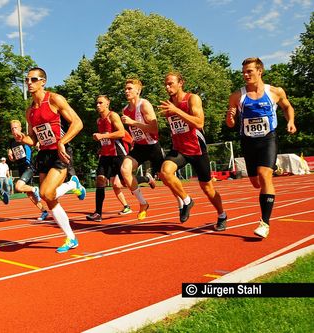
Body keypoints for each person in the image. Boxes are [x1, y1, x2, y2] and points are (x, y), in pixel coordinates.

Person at [13, 67, 83, 253]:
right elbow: (33, 139)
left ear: (43, 81)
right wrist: (22, 139)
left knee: (45, 192)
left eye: (33, 79)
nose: (29, 83)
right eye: (26, 80)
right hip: (44, 154)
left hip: (60, 152)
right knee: (49, 198)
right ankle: (71, 238)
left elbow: (77, 123)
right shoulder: (30, 112)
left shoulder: (54, 99)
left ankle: (71, 185)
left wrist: (63, 142)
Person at [227, 58, 296, 238]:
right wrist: (230, 115)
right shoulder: (237, 96)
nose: (245, 75)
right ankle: (275, 167)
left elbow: (287, 107)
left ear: (260, 71)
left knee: (264, 176)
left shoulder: (274, 92)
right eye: (243, 72)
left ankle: (264, 223)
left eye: (249, 71)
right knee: (255, 182)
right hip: (248, 141)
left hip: (268, 139)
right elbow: (230, 124)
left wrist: (291, 121)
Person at [158, 72, 227, 230]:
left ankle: (222, 215)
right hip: (179, 150)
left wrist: (177, 111)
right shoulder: (168, 105)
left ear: (181, 82)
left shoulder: (192, 99)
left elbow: (199, 122)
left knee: (208, 188)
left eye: (171, 83)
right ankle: (187, 200)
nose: (167, 87)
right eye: (166, 84)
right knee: (165, 172)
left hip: (197, 150)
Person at [120, 79, 164, 220]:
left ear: (138, 91)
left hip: (153, 146)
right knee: (125, 170)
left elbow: (154, 128)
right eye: (125, 89)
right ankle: (143, 203)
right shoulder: (125, 110)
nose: (126, 91)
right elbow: (134, 131)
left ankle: (184, 201)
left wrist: (133, 122)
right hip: (139, 147)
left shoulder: (144, 105)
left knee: (166, 178)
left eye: (129, 88)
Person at [86, 95, 132, 222]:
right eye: (97, 103)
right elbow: (105, 138)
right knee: (100, 180)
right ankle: (98, 213)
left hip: (118, 154)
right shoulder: (98, 121)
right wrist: (101, 146)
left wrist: (101, 136)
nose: (98, 105)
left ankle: (146, 178)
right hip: (105, 155)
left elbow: (121, 133)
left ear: (107, 103)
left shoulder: (113, 116)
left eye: (100, 103)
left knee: (124, 182)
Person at [6, 119, 49, 221]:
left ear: (20, 128)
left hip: (28, 167)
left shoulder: (25, 138)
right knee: (29, 195)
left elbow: (35, 142)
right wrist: (10, 155)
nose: (14, 130)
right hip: (20, 167)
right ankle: (44, 211)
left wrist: (38, 144)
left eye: (15, 128)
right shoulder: (12, 142)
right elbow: (11, 153)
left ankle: (35, 189)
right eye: (12, 128)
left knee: (18, 187)